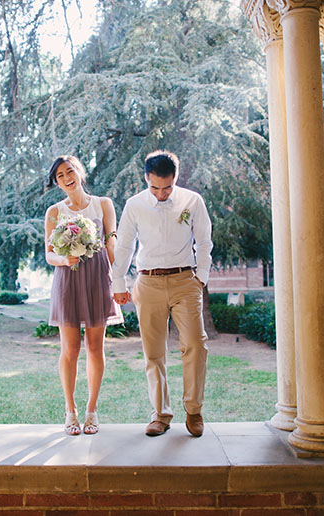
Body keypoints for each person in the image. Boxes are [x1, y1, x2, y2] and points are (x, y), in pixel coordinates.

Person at [112, 150, 213, 437]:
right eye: (155, 187)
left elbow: (204, 240)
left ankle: (193, 410)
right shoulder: (134, 205)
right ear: (146, 179)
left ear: (175, 178)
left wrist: (201, 278)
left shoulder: (192, 201)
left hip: (185, 281)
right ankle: (161, 413)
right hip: (148, 282)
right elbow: (124, 246)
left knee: (195, 343)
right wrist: (118, 282)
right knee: (153, 353)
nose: (161, 193)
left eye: (167, 187)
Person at [45, 155, 123, 436]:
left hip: (97, 277)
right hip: (68, 277)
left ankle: (92, 410)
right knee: (70, 349)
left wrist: (120, 281)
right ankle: (70, 411)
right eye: (60, 176)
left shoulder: (103, 204)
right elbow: (49, 254)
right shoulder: (54, 211)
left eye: (70, 171)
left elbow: (112, 244)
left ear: (80, 172)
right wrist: (65, 260)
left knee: (94, 348)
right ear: (57, 183)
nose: (67, 178)